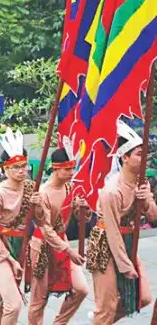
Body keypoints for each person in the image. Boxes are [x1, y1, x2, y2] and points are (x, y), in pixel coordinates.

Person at [0, 128, 72, 324]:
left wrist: (38, 206)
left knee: (3, 300)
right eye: (16, 167)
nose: (21, 171)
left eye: (24, 166)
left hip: (22, 245)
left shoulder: (32, 187)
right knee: (13, 304)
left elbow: (42, 221)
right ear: (6, 169)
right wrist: (7, 257)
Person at [87, 121, 157, 323]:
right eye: (138, 154)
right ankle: (102, 317)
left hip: (128, 240)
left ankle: (101, 319)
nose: (144, 158)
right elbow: (112, 232)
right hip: (105, 245)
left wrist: (145, 200)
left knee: (142, 298)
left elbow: (154, 217)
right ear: (124, 157)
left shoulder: (142, 182)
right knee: (107, 305)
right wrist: (126, 266)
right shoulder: (112, 191)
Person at [27, 147, 88, 325]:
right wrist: (69, 250)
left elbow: (80, 218)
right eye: (67, 169)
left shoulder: (70, 187)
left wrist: (83, 208)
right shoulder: (43, 193)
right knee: (39, 301)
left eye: (73, 168)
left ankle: (59, 323)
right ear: (55, 168)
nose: (72, 172)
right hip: (42, 247)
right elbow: (46, 229)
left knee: (81, 289)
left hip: (63, 242)